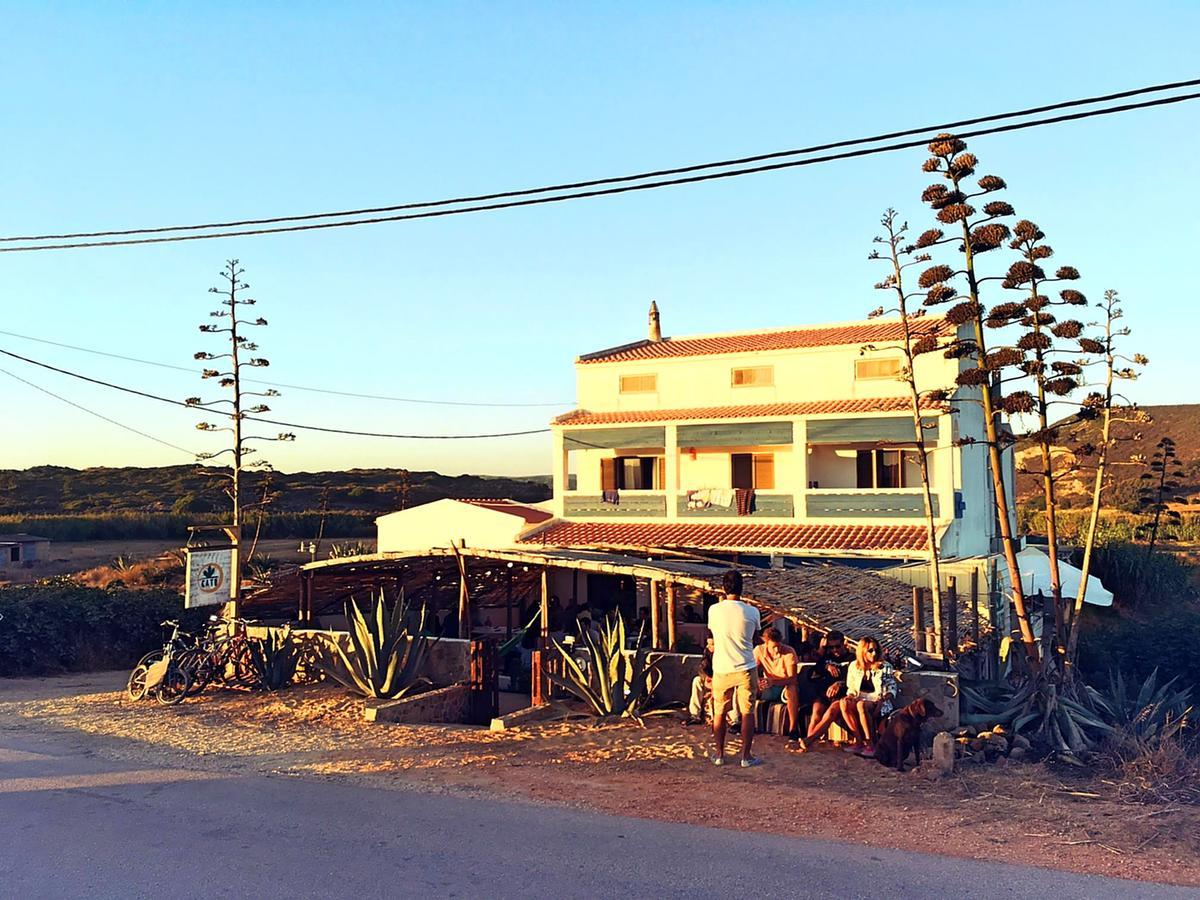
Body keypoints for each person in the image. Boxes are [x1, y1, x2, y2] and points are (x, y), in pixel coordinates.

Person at [707, 569, 762, 768]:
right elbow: (756, 639)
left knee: (719, 711)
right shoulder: (752, 611)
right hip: (746, 666)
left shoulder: (714, 610)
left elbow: (713, 634)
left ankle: (720, 753)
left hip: (721, 667)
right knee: (748, 712)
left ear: (723, 587)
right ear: (741, 588)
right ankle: (746, 756)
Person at [841, 636, 897, 758]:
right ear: (862, 652)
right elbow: (851, 687)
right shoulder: (854, 666)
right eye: (870, 651)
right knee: (843, 703)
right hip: (859, 697)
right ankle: (859, 741)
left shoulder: (884, 666)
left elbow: (891, 687)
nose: (874, 653)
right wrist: (850, 696)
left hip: (877, 700)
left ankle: (870, 744)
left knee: (861, 705)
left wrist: (883, 698)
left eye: (876, 650)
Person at [754, 627, 801, 739]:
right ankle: (742, 722)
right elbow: (752, 671)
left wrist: (773, 681)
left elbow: (793, 679)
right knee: (746, 687)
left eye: (778, 646)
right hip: (769, 687)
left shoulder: (789, 651)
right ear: (766, 643)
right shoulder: (759, 650)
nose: (777, 650)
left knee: (792, 688)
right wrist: (758, 681)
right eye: (773, 647)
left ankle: (793, 728)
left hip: (784, 686)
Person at [685, 633, 739, 728]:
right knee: (697, 681)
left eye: (712, 644)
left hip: (726, 681)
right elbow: (702, 667)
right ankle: (694, 715)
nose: (709, 646)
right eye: (708, 644)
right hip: (711, 679)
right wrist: (705, 678)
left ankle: (735, 720)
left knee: (733, 690)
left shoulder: (728, 654)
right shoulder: (708, 651)